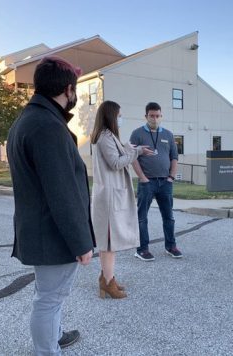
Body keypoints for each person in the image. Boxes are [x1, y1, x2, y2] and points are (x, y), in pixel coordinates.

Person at [7, 56, 96, 355]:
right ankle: (47, 350)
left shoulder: (29, 119)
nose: (75, 96)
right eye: (75, 90)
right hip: (53, 234)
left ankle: (54, 335)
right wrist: (81, 242)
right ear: (68, 90)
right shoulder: (47, 126)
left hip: (41, 230)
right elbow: (62, 192)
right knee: (49, 299)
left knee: (47, 294)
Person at [90, 100, 153, 298]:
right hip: (109, 197)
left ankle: (106, 278)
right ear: (111, 115)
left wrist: (131, 149)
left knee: (109, 242)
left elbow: (118, 156)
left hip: (111, 194)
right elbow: (116, 163)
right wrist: (136, 152)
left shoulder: (107, 136)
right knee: (109, 243)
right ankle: (108, 283)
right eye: (119, 114)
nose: (121, 118)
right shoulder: (104, 137)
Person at [130, 102, 182, 261]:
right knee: (142, 217)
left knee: (168, 216)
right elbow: (133, 158)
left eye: (157, 115)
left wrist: (171, 177)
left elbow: (174, 157)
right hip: (147, 183)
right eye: (152, 116)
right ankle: (142, 249)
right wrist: (143, 178)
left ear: (161, 116)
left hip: (165, 183)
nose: (155, 118)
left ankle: (171, 246)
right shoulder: (137, 134)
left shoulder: (168, 134)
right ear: (146, 116)